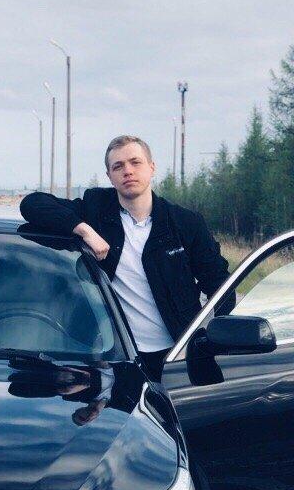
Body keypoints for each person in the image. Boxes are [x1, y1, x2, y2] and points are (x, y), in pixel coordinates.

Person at [20, 135, 234, 380]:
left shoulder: (185, 223)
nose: (128, 171)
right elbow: (32, 204)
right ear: (110, 176)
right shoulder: (96, 208)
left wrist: (200, 338)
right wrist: (85, 231)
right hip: (115, 358)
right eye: (118, 166)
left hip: (178, 356)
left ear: (152, 167)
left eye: (135, 162)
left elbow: (222, 289)